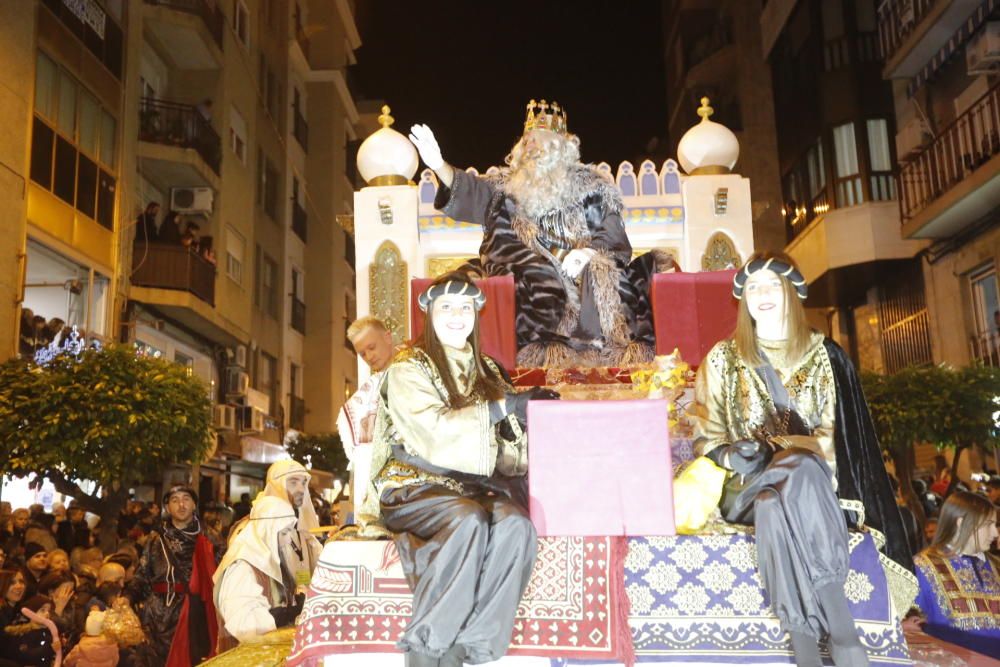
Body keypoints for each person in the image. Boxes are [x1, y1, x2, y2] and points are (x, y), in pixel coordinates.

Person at [690, 252, 914, 667]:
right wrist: (728, 452)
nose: (762, 294)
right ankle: (841, 628)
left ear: (791, 292)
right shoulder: (723, 359)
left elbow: (841, 441)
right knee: (787, 475)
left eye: (772, 284)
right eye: (753, 287)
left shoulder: (826, 355)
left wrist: (798, 453)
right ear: (743, 299)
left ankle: (804, 645)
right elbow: (706, 438)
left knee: (777, 502)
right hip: (746, 485)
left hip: (813, 492)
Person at [363, 274, 556, 667]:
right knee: (467, 521)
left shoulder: (488, 369)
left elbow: (506, 455)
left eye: (465, 308)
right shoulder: (408, 367)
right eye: (446, 307)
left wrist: (534, 427)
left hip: (472, 489)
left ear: (476, 315)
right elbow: (434, 433)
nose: (457, 316)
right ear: (429, 314)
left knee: (517, 527)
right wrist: (505, 408)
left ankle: (471, 646)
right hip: (411, 486)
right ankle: (428, 649)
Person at [409, 102, 674, 369]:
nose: (530, 148)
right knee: (523, 281)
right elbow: (471, 192)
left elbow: (612, 235)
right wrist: (440, 166)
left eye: (538, 142)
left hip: (586, 277)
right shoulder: (504, 191)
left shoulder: (591, 188)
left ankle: (596, 349)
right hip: (529, 282)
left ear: (559, 149)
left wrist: (587, 253)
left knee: (622, 282)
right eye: (526, 143)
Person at [126, 485, 217, 666]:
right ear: (167, 507)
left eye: (186, 499)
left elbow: (223, 574)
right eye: (174, 500)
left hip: (194, 614)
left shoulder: (210, 537)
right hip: (157, 616)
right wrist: (127, 598)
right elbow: (142, 575)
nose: (181, 505)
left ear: (194, 505)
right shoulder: (156, 538)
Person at [913, 491, 1000, 656]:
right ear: (961, 523)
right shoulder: (924, 567)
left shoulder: (996, 565)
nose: (995, 533)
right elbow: (913, 628)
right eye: (989, 524)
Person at [212, 497, 305, 649]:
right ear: (266, 531)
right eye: (284, 533)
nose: (289, 540)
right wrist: (285, 615)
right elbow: (244, 625)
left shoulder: (268, 562)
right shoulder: (241, 566)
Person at [338, 316, 397, 522]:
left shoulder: (414, 370)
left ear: (388, 337)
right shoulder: (366, 392)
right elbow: (359, 457)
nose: (369, 356)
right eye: (362, 353)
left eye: (372, 347)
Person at [227, 460, 322, 583]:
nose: (301, 489)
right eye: (293, 482)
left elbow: (320, 563)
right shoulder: (252, 530)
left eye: (304, 483)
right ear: (275, 485)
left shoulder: (301, 528)